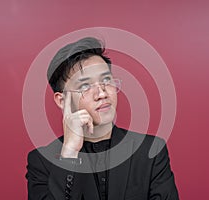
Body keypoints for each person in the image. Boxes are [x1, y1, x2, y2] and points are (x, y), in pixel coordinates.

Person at [26, 37, 179, 200]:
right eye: (85, 86)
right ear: (62, 101)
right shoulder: (41, 162)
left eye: (106, 80)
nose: (102, 93)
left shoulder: (150, 150)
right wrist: (69, 154)